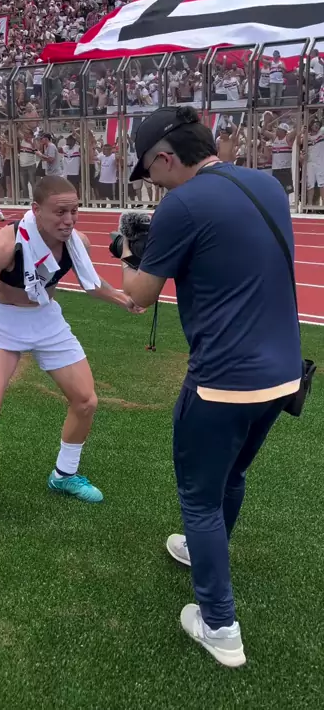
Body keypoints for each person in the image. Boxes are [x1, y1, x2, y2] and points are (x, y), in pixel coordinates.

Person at [120, 106, 301, 668]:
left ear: (166, 158)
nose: (152, 182)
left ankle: (220, 625)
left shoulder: (180, 205)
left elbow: (140, 294)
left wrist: (128, 248)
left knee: (198, 500)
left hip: (222, 381)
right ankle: (206, 552)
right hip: (283, 375)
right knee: (233, 476)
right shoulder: (265, 185)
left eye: (149, 171)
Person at [0, 174, 143, 521]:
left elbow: (91, 284)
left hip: (46, 318)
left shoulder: (77, 242)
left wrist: (122, 298)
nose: (68, 220)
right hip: (3, 322)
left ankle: (64, 475)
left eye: (74, 211)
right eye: (60, 212)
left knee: (86, 401)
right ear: (36, 210)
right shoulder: (4, 245)